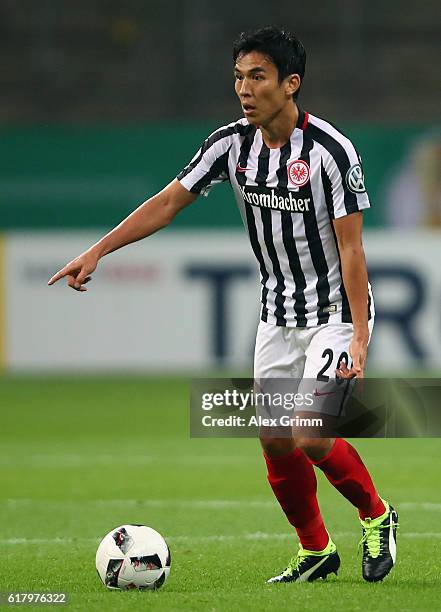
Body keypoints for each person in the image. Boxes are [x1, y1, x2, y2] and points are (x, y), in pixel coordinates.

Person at [48, 26, 398, 584]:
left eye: (257, 76)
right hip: (276, 317)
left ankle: (377, 516)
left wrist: (358, 335)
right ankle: (315, 551)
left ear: (291, 84)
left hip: (333, 314)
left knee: (310, 434)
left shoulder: (331, 152)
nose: (244, 88)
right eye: (238, 77)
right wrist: (98, 250)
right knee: (274, 437)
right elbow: (167, 202)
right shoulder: (229, 145)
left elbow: (352, 249)